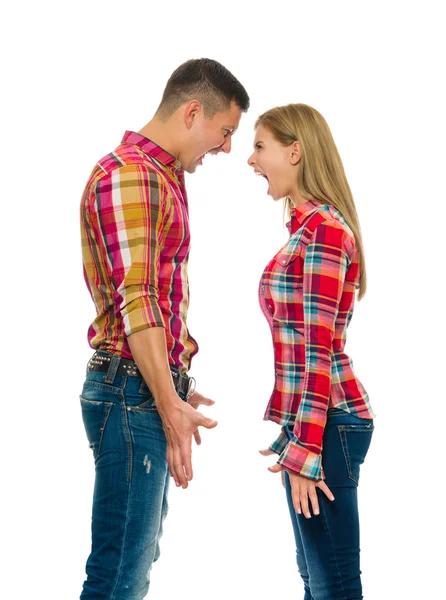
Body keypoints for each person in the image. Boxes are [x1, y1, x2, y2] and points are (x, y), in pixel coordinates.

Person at [79, 58, 249, 599]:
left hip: (140, 386)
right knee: (119, 578)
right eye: (224, 132)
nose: (225, 149)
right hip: (131, 391)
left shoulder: (158, 176)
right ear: (193, 111)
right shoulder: (133, 175)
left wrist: (173, 379)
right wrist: (164, 396)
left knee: (132, 564)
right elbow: (139, 299)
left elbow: (150, 299)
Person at [248, 103, 375, 600]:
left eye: (260, 146)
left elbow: (317, 350)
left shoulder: (323, 230)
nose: (251, 160)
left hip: (328, 424)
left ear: (295, 151)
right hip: (317, 422)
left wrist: (305, 448)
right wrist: (297, 437)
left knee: (334, 588)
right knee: (317, 583)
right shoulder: (306, 230)